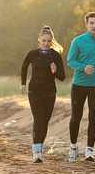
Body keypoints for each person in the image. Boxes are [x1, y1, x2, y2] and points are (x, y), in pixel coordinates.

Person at [67, 12, 95, 162]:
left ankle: (89, 151)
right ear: (86, 24)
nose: (94, 26)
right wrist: (83, 67)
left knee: (94, 117)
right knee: (76, 117)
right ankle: (73, 148)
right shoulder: (78, 41)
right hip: (79, 84)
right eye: (91, 23)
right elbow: (70, 60)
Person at [20, 26, 65, 163]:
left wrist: (54, 72)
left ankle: (40, 147)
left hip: (50, 92)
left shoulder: (55, 56)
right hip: (34, 90)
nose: (46, 43)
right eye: (44, 40)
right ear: (39, 40)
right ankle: (36, 152)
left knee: (45, 123)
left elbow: (62, 77)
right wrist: (23, 83)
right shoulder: (32, 54)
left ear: (52, 41)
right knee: (38, 120)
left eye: (49, 41)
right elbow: (24, 67)